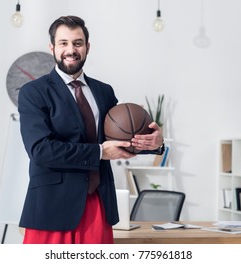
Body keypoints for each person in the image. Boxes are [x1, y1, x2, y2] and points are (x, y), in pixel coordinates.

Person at [18, 15, 164, 244]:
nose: (71, 50)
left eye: (77, 43)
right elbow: (40, 150)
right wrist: (99, 153)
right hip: (51, 207)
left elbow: (119, 139)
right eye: (63, 43)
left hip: (98, 202)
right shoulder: (33, 92)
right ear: (52, 48)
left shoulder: (104, 91)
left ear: (87, 47)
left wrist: (153, 144)